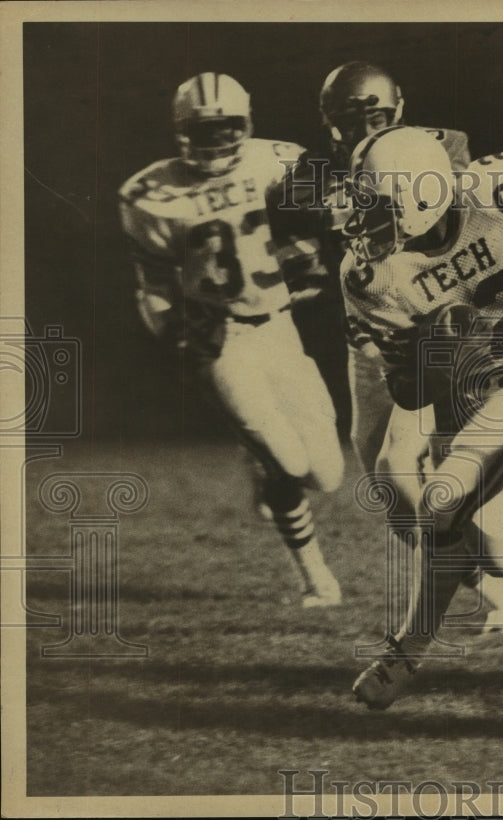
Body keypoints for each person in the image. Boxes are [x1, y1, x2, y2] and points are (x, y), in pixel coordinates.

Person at [341, 126, 503, 709]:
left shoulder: (499, 194)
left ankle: (409, 649)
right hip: (457, 405)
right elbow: (408, 393)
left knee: (446, 505)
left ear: (420, 197)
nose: (359, 216)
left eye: (374, 202)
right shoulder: (369, 276)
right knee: (481, 540)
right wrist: (429, 359)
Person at [267, 63, 503, 631]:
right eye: (350, 119)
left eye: (375, 116)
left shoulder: (438, 148)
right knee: (390, 489)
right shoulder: (310, 175)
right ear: (329, 122)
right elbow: (304, 259)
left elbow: (456, 224)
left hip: (444, 335)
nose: (363, 129)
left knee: (437, 469)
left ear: (398, 110)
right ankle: (487, 581)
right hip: (372, 343)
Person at [119, 72, 344, 608]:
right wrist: (178, 335)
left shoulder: (280, 160)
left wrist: (310, 236)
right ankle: (316, 578)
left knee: (328, 475)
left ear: (246, 125)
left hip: (281, 330)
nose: (217, 140)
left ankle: (258, 460)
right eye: (204, 129)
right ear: (181, 130)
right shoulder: (150, 194)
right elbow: (152, 287)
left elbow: (331, 202)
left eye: (226, 128)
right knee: (286, 464)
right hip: (224, 342)